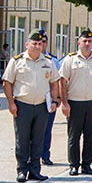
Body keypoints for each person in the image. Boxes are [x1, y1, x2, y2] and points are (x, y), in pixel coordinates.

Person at [3, 30, 61, 182]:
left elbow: (54, 83)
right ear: (27, 44)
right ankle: (22, 169)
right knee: (22, 139)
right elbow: (7, 82)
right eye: (34, 44)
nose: (37, 47)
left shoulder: (48, 62)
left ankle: (35, 170)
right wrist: (10, 103)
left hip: (42, 106)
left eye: (40, 44)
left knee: (38, 139)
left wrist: (55, 101)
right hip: (23, 105)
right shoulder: (17, 61)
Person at [59, 29, 92, 176]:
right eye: (84, 41)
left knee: (90, 136)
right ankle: (74, 165)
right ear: (79, 42)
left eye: (90, 41)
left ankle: (87, 165)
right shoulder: (70, 59)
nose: (87, 44)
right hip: (74, 103)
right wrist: (64, 103)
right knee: (74, 136)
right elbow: (62, 82)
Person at [38, 29, 62, 166]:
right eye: (39, 42)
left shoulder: (52, 60)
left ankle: (45, 155)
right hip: (32, 99)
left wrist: (56, 98)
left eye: (44, 42)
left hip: (48, 99)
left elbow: (57, 80)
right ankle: (31, 156)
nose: (41, 45)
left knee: (47, 129)